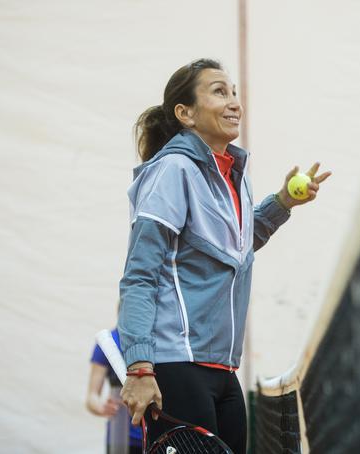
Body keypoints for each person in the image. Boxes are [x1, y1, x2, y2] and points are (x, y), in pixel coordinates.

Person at [117, 58, 331, 453]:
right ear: (186, 114)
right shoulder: (173, 170)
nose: (234, 102)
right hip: (175, 364)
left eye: (233, 92)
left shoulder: (234, 174)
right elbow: (140, 276)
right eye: (219, 91)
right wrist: (140, 367)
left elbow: (236, 245)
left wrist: (282, 202)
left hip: (221, 367)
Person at [87, 328, 143, 454]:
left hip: (157, 435)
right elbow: (91, 397)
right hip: (121, 438)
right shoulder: (108, 341)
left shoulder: (162, 339)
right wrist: (102, 407)